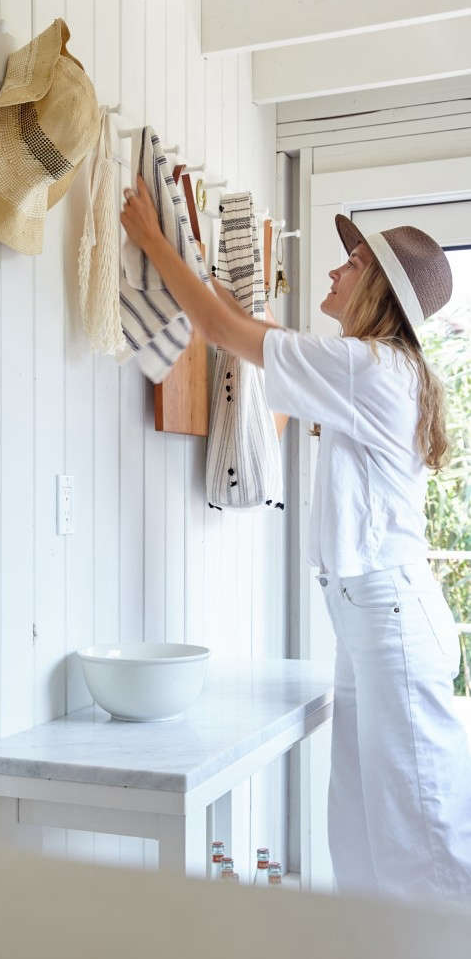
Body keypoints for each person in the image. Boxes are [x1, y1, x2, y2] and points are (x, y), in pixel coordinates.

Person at [120, 175, 471, 903]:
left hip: (387, 619)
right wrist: (205, 280)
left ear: (375, 289)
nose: (335, 270)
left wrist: (151, 239)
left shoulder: (366, 369)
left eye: (352, 264)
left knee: (422, 843)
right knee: (365, 834)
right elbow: (247, 333)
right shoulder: (371, 369)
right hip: (371, 620)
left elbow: (223, 332)